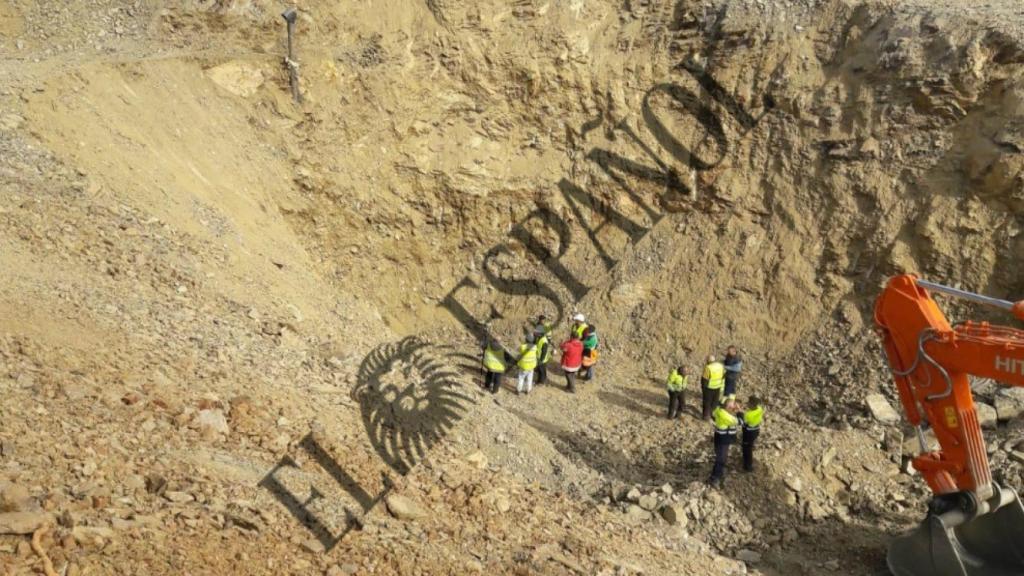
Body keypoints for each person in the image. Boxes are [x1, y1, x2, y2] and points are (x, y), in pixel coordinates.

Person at [708, 399, 739, 488]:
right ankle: (715, 479)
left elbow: (713, 415)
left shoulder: (719, 410)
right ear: (728, 407)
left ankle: (717, 474)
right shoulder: (726, 416)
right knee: (721, 459)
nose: (734, 408)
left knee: (720, 457)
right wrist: (739, 412)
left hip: (720, 437)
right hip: (723, 440)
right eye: (733, 407)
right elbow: (739, 421)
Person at [739, 396, 764, 472]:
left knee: (746, 448)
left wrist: (739, 413)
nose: (747, 405)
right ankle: (747, 461)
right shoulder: (760, 409)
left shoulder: (748, 415)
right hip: (756, 430)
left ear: (753, 405)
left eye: (749, 403)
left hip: (748, 432)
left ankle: (748, 465)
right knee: (750, 445)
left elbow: (743, 422)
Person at [701, 355, 726, 420]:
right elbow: (724, 376)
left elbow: (704, 379)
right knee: (715, 402)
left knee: (707, 402)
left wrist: (703, 389)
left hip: (709, 388)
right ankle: (712, 414)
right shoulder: (720, 366)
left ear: (708, 361)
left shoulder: (708, 368)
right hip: (718, 387)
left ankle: (706, 416)